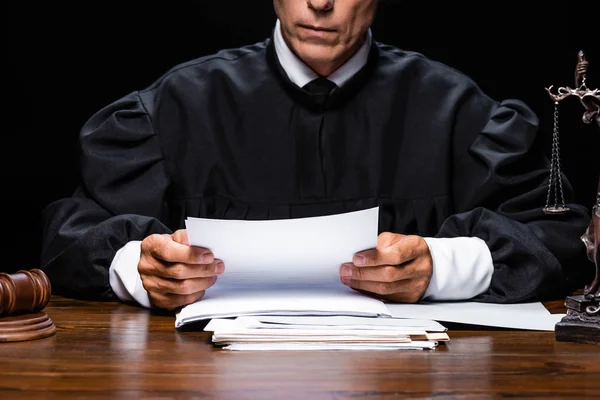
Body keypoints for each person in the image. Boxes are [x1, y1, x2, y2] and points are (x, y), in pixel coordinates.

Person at [40, 0, 593, 311]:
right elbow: (71, 235)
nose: (321, 3)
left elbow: (563, 238)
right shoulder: (173, 107)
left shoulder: (457, 110)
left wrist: (442, 268)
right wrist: (138, 268)